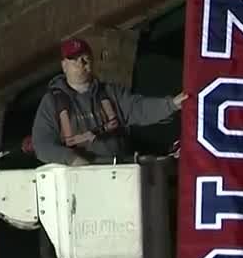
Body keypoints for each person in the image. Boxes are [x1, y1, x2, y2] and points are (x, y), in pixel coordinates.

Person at [30, 37, 188, 166]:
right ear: (64, 66)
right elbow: (42, 145)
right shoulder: (51, 102)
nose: (81, 64)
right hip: (76, 177)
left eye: (85, 58)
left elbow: (139, 109)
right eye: (74, 60)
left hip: (116, 170)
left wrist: (172, 104)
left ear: (92, 62)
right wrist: (72, 159)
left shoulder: (111, 92)